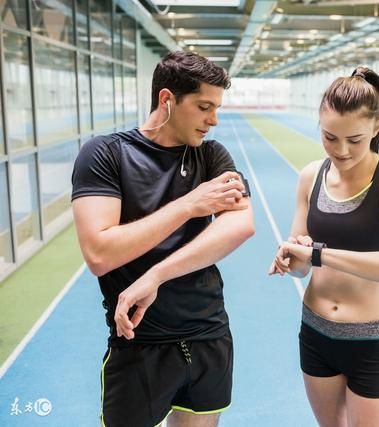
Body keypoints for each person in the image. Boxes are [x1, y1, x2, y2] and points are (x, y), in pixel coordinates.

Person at [71, 51, 255, 427]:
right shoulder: (106, 154)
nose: (214, 120)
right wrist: (189, 205)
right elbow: (100, 253)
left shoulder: (212, 155)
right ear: (167, 99)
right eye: (204, 106)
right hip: (140, 342)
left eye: (217, 108)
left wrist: (156, 275)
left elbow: (240, 225)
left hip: (208, 335)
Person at [269, 66, 379, 427]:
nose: (341, 150)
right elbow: (303, 264)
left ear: (377, 126)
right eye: (329, 137)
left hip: (371, 343)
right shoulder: (311, 176)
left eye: (354, 140)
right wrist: (291, 257)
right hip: (315, 333)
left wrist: (320, 254)